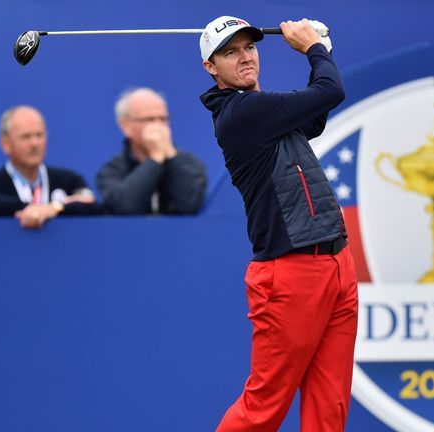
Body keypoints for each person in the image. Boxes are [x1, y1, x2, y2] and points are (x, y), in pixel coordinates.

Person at [199, 16, 358, 431]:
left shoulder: (264, 109)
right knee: (263, 409)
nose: (244, 57)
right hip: (290, 275)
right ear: (211, 68)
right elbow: (331, 89)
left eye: (249, 47)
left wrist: (324, 47)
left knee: (330, 406)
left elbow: (316, 114)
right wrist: (313, 47)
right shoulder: (240, 113)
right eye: (229, 53)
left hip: (337, 262)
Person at [0, 105, 101, 229]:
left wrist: (54, 208)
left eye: (39, 135)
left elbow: (92, 206)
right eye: (26, 137)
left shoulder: (69, 179)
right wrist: (42, 209)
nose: (35, 143)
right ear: (5, 144)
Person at [96, 87, 207, 214]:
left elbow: (189, 206)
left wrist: (170, 154)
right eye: (148, 120)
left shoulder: (190, 163)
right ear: (125, 126)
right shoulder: (112, 170)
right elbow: (125, 208)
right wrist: (155, 158)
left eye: (163, 119)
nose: (158, 126)